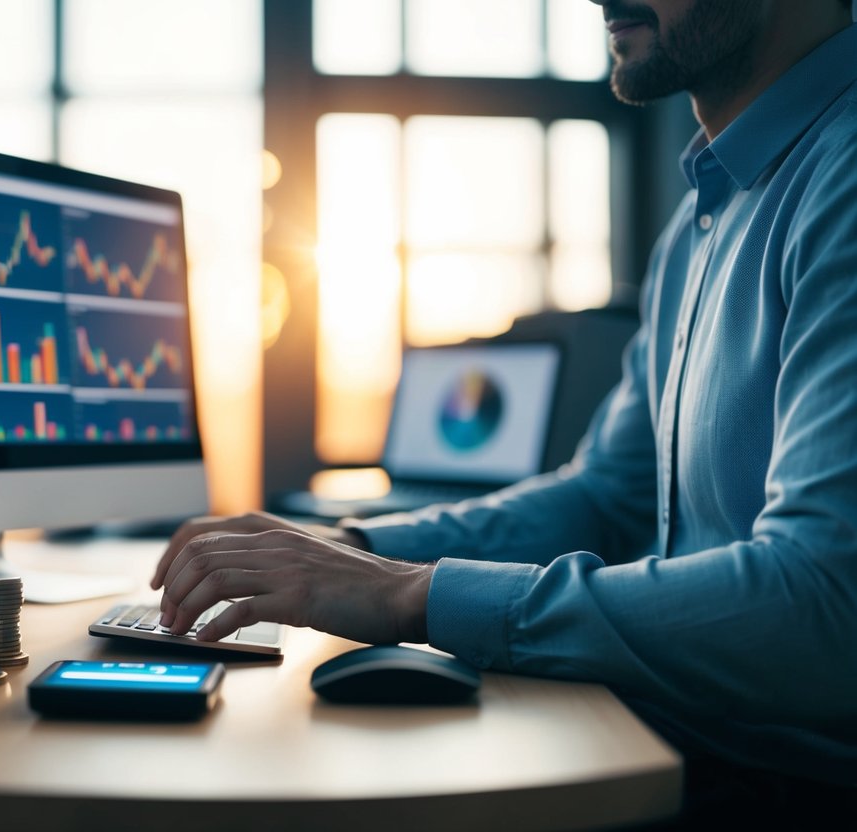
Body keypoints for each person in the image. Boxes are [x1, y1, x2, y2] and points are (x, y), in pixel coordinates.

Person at [153, 0, 857, 825]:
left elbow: (826, 603)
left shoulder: (840, 182)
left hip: (789, 791)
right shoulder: (706, 213)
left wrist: (411, 595)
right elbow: (604, 495)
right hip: (682, 742)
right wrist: (349, 550)